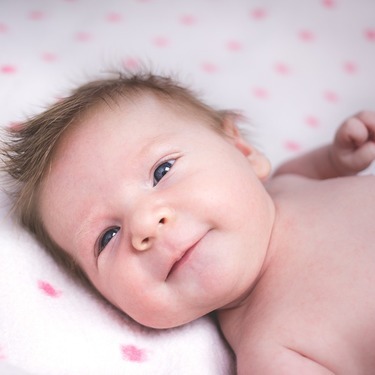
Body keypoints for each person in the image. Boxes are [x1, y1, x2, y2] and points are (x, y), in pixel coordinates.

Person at [2, 72, 375, 374]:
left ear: (242, 152)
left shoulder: (288, 185)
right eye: (107, 237)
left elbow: (298, 171)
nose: (146, 224)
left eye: (162, 171)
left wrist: (336, 160)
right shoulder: (273, 351)